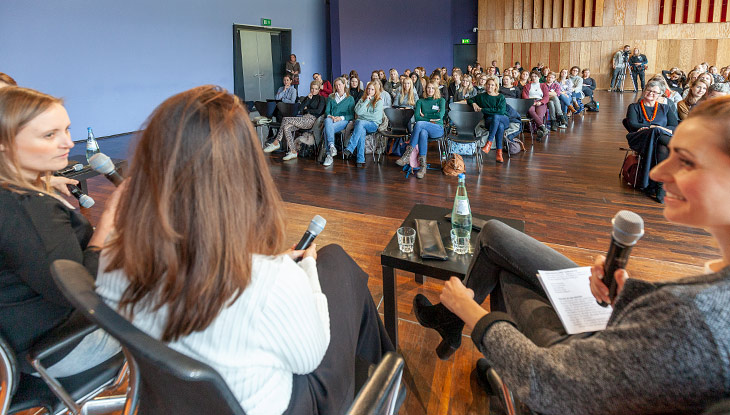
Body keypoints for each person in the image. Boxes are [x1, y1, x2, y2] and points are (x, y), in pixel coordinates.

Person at [413, 95, 730, 415]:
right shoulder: (708, 295)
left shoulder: (695, 319)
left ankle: (467, 332)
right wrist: (625, 299)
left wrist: (471, 312)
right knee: (494, 235)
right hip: (614, 332)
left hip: (569, 374)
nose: (659, 172)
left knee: (506, 270)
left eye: (686, 161)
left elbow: (552, 383)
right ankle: (459, 330)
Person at [96, 85, 394, 415]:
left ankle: (383, 365)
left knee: (336, 261)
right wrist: (307, 269)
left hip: (172, 402)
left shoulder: (111, 261)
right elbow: (311, 356)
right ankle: (385, 374)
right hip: (281, 405)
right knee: (336, 261)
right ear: (244, 174)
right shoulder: (269, 283)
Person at [0, 87, 121, 377]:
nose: (67, 143)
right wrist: (107, 226)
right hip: (59, 347)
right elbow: (80, 292)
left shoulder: (16, 196)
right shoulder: (29, 210)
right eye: (49, 135)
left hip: (21, 337)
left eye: (66, 130)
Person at [625, 80, 678, 202]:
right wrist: (652, 128)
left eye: (655, 92)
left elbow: (674, 126)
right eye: (649, 90)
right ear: (644, 91)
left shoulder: (665, 108)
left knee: (661, 144)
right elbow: (632, 124)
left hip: (660, 140)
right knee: (655, 132)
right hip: (639, 138)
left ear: (660, 95)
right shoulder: (634, 107)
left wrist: (658, 128)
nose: (651, 93)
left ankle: (659, 185)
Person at [264, 81, 325, 160]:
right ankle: (293, 151)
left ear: (319, 89)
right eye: (312, 89)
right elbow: (300, 109)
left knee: (285, 119)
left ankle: (276, 142)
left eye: (316, 89)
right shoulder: (308, 97)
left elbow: (318, 111)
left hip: (311, 121)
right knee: (286, 128)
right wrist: (307, 100)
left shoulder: (321, 99)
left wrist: (308, 110)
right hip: (303, 119)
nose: (313, 91)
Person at [397, 81, 444, 178]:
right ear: (425, 89)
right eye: (428, 88)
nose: (430, 90)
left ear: (435, 90)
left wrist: (425, 115)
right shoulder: (420, 101)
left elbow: (440, 115)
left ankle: (408, 154)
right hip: (424, 128)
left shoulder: (441, 100)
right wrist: (432, 117)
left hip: (437, 128)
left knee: (419, 124)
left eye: (432, 88)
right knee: (422, 132)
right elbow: (417, 117)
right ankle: (423, 167)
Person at [467, 77, 508, 163]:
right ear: (485, 85)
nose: (490, 86)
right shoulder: (482, 96)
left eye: (492, 85)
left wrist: (483, 109)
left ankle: (489, 143)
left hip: (503, 118)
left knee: (496, 116)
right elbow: (469, 99)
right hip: (490, 121)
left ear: (496, 86)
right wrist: (473, 103)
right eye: (488, 84)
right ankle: (499, 154)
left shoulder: (501, 97)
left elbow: (501, 111)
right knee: (500, 126)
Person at [343, 81, 383, 168]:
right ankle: (360, 159)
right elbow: (357, 112)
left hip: (372, 125)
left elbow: (375, 117)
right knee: (361, 130)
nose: (370, 91)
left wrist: (363, 115)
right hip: (361, 125)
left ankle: (350, 148)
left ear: (376, 90)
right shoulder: (362, 99)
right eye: (368, 89)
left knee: (360, 122)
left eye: (372, 89)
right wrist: (366, 102)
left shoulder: (379, 101)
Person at [321, 77, 355, 167]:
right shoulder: (331, 97)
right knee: (327, 120)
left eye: (340, 84)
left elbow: (351, 115)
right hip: (331, 120)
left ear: (344, 85)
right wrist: (331, 116)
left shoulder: (350, 98)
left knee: (326, 129)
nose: (338, 87)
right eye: (336, 85)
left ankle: (329, 154)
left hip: (343, 121)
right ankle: (332, 146)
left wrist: (340, 118)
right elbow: (327, 112)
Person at [522, 71, 550, 139]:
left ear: (539, 77)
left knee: (540, 115)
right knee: (531, 110)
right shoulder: (527, 85)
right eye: (532, 76)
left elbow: (546, 96)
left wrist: (541, 102)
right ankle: (542, 127)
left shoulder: (543, 85)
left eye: (535, 76)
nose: (534, 78)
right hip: (530, 101)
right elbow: (524, 95)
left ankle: (539, 131)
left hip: (540, 102)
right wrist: (531, 102)